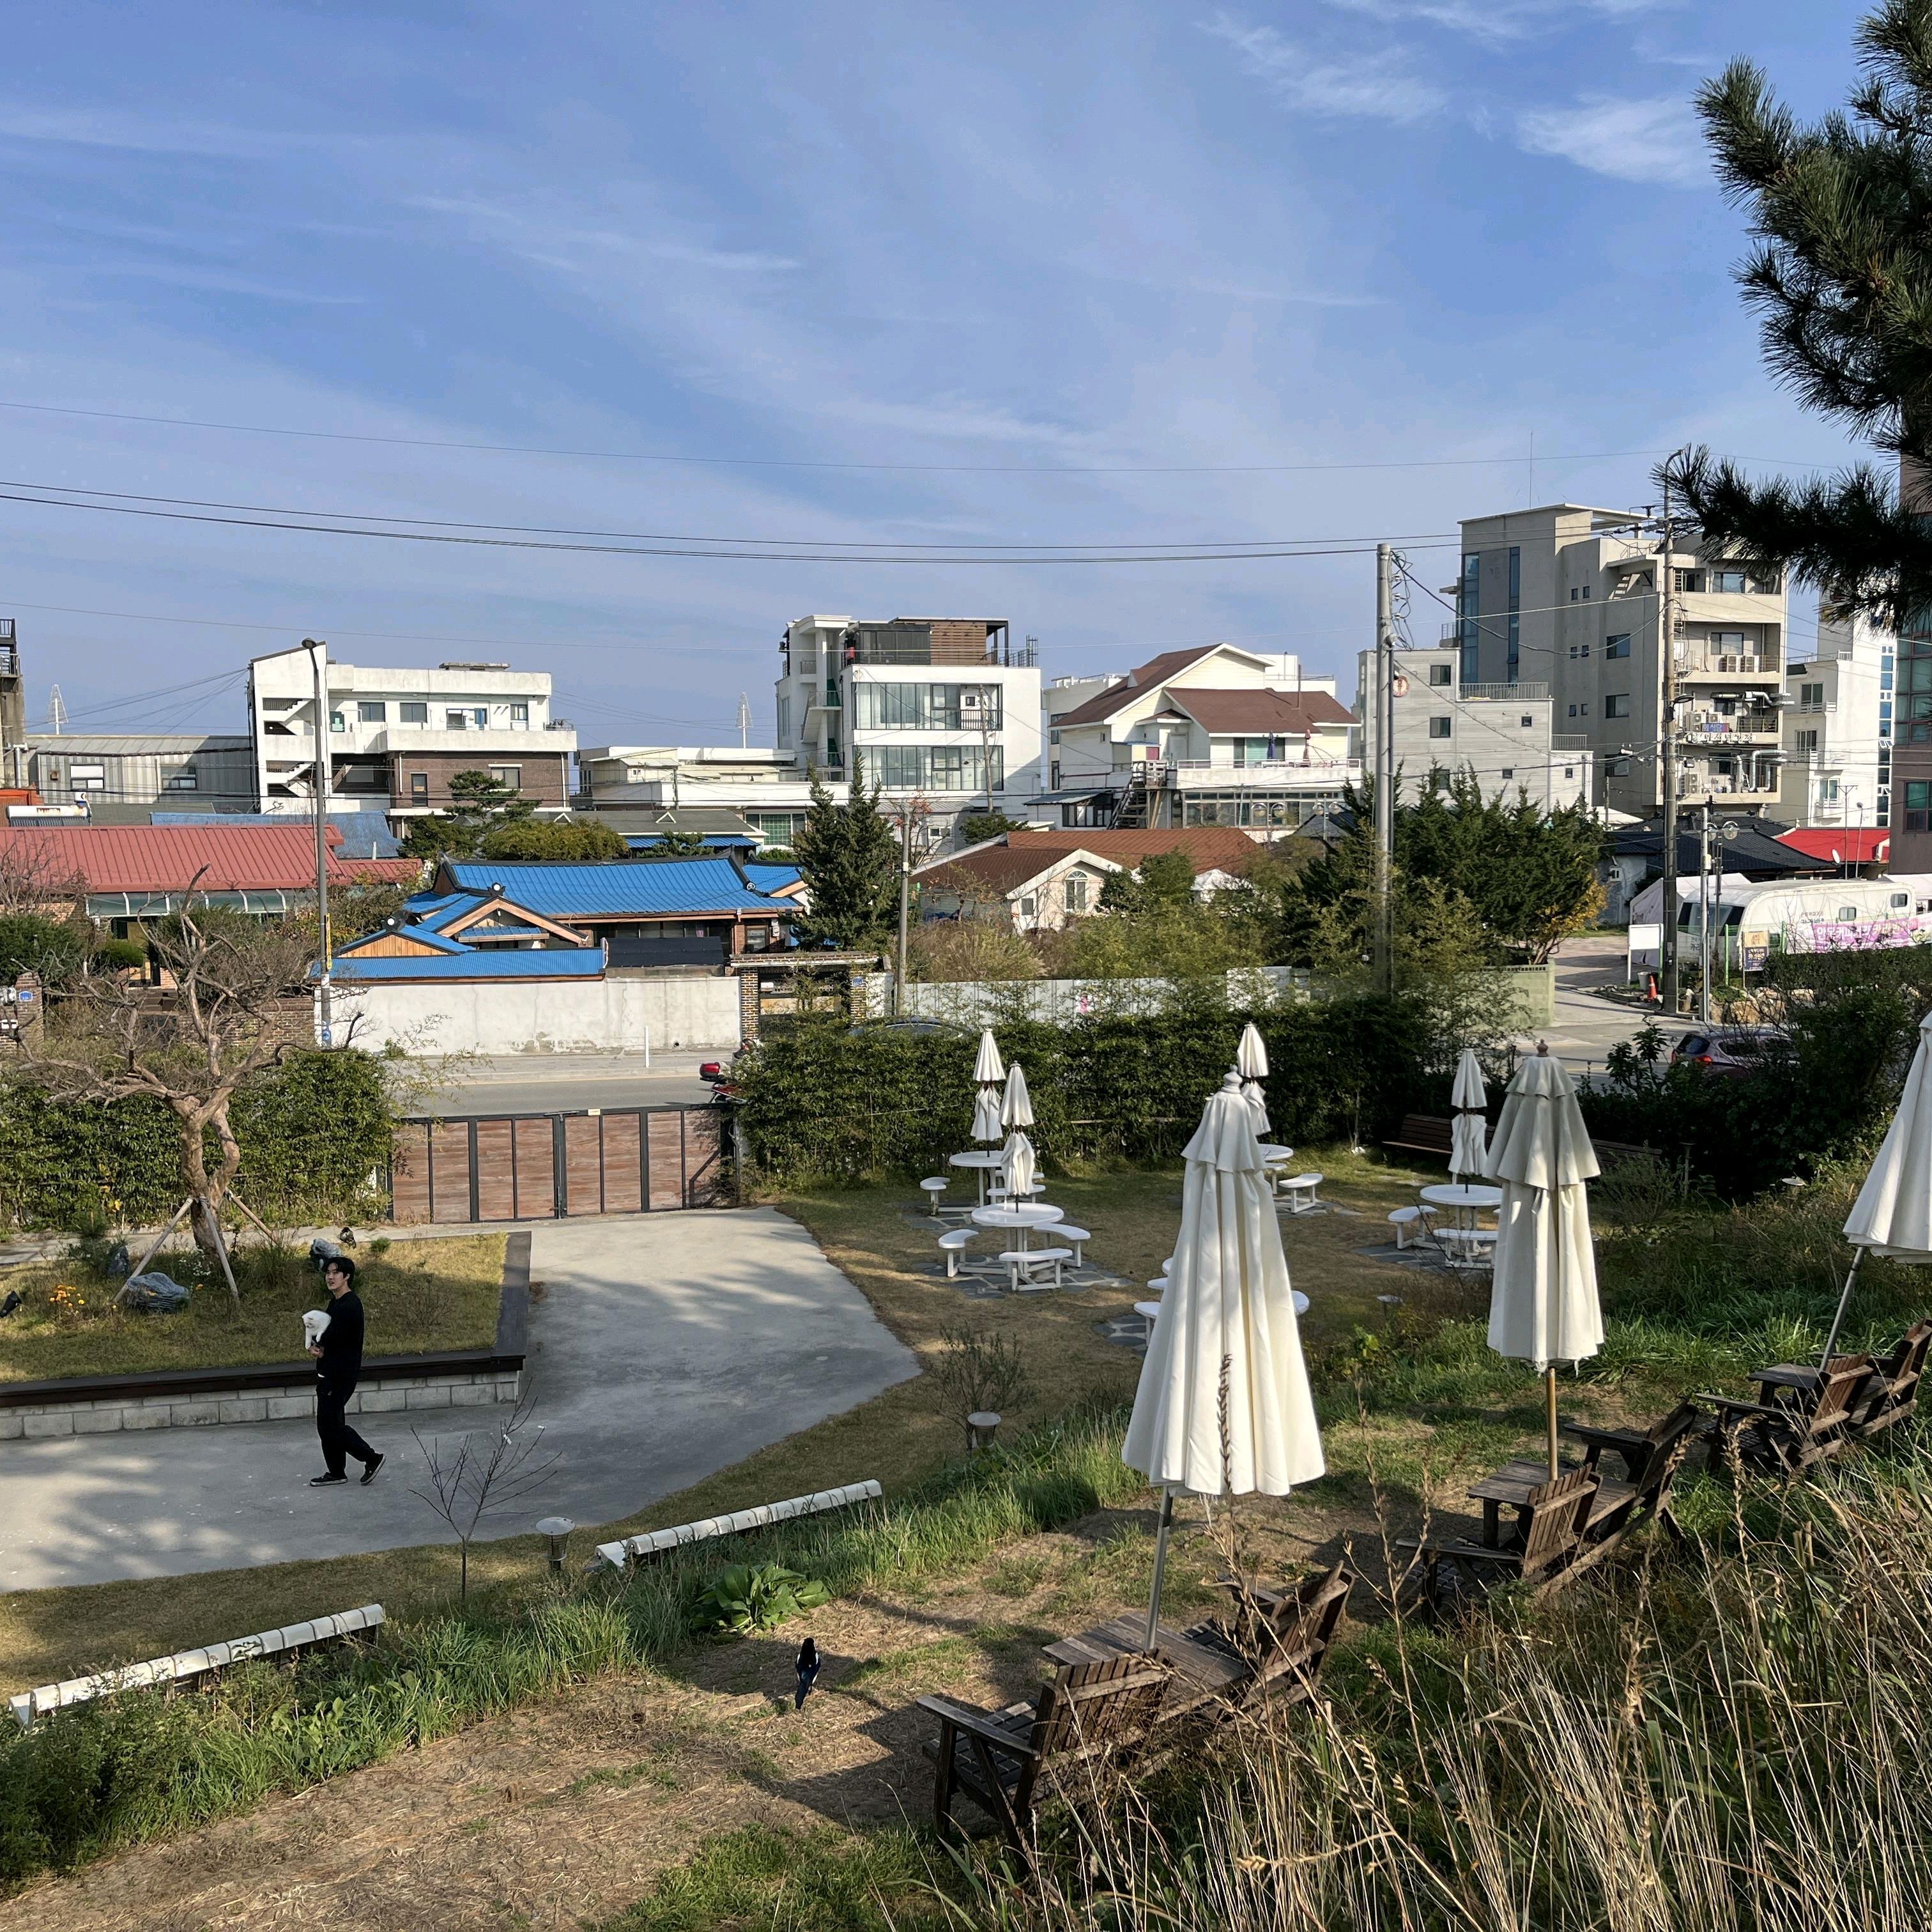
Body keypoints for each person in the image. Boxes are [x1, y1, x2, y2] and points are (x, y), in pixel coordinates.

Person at [309, 1255, 384, 1487]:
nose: (330, 1277)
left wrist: (320, 1346)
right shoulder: (336, 1303)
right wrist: (320, 1349)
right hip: (330, 1371)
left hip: (339, 1374)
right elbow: (330, 1338)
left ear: (347, 1276)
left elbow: (335, 1337)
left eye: (335, 1273)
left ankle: (371, 1458)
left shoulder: (350, 1305)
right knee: (328, 1423)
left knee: (330, 1425)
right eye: (328, 1273)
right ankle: (336, 1472)